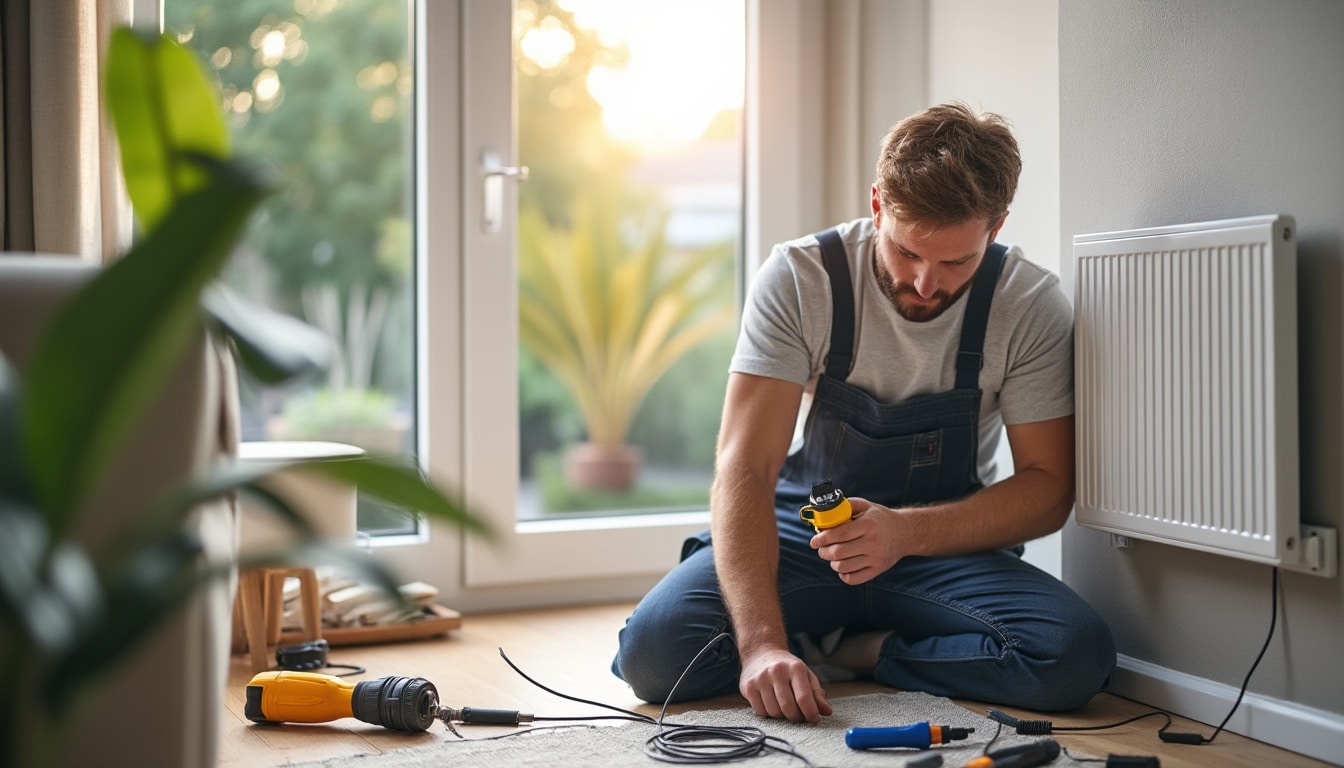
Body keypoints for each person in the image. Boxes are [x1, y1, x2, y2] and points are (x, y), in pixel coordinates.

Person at [610, 102, 1116, 723]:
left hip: (938, 545)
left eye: (956, 261)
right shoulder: (801, 278)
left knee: (1072, 656)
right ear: (878, 205)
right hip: (804, 536)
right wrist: (763, 644)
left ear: (997, 225)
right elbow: (745, 465)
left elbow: (1048, 489)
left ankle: (866, 653)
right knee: (657, 657)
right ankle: (790, 645)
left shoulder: (1029, 304)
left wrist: (904, 532)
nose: (928, 285)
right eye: (908, 252)